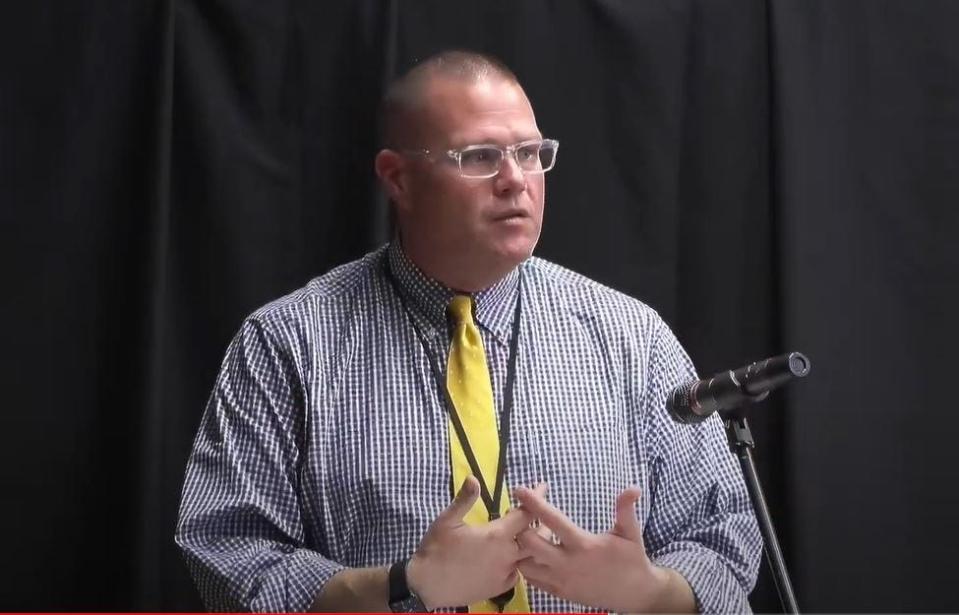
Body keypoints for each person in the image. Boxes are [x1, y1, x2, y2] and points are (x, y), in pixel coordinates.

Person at [175, 50, 762, 613]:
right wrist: (404, 586)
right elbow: (228, 551)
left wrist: (651, 592)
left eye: (531, 153)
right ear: (397, 177)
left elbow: (722, 536)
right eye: (479, 156)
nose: (515, 180)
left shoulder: (633, 338)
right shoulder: (287, 343)